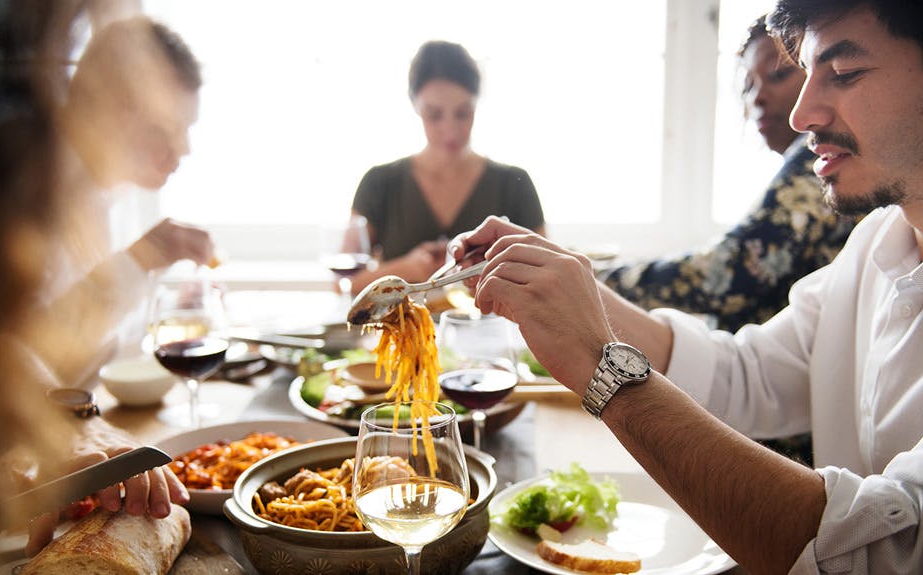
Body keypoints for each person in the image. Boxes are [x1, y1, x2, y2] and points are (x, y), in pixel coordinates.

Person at [451, 0, 923, 571]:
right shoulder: (877, 240)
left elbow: (879, 550)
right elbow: (745, 375)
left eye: (844, 74)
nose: (803, 113)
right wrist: (567, 278)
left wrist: (603, 369)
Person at [0, 3, 187, 570]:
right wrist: (71, 427)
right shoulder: (14, 193)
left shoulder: (104, 202)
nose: (182, 150)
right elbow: (4, 340)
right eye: (167, 129)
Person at [602, 15, 855, 334]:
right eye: (748, 85)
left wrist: (597, 279)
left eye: (778, 75)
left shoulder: (819, 158)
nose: (757, 97)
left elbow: (732, 270)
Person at [26, 15, 217, 388]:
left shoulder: (115, 192)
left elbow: (102, 347)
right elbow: (31, 358)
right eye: (166, 129)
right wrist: (145, 255)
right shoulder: (28, 200)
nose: (184, 149)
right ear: (106, 111)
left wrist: (174, 300)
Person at [346, 40, 545, 295]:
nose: (450, 130)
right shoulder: (379, 183)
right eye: (434, 115)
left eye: (463, 113)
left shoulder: (515, 184)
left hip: (495, 333)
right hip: (400, 334)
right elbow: (346, 285)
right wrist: (408, 268)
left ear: (476, 105)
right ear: (415, 107)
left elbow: (545, 281)